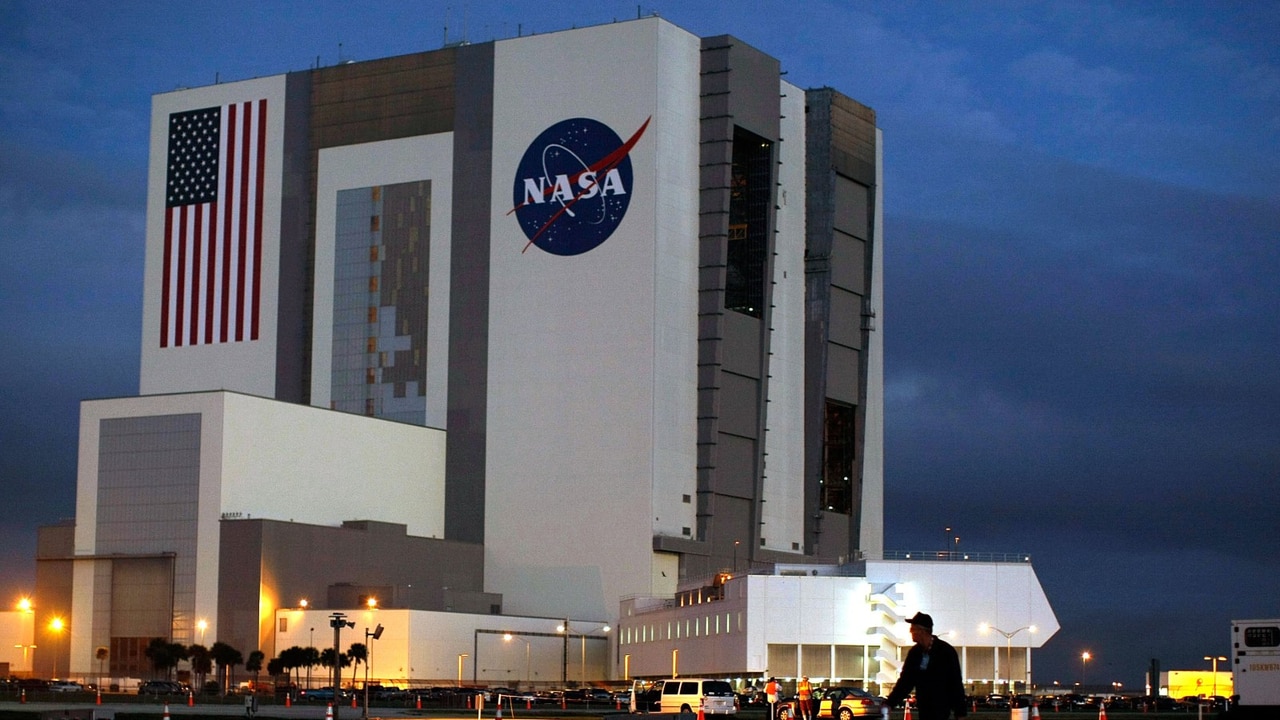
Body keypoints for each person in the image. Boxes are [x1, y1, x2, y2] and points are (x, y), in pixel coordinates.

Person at [882, 612, 967, 720]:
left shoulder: (945, 652)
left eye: (912, 629)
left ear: (922, 631)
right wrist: (890, 703)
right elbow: (906, 681)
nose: (910, 631)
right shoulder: (915, 653)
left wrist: (960, 713)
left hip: (942, 708)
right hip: (924, 708)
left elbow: (955, 683)